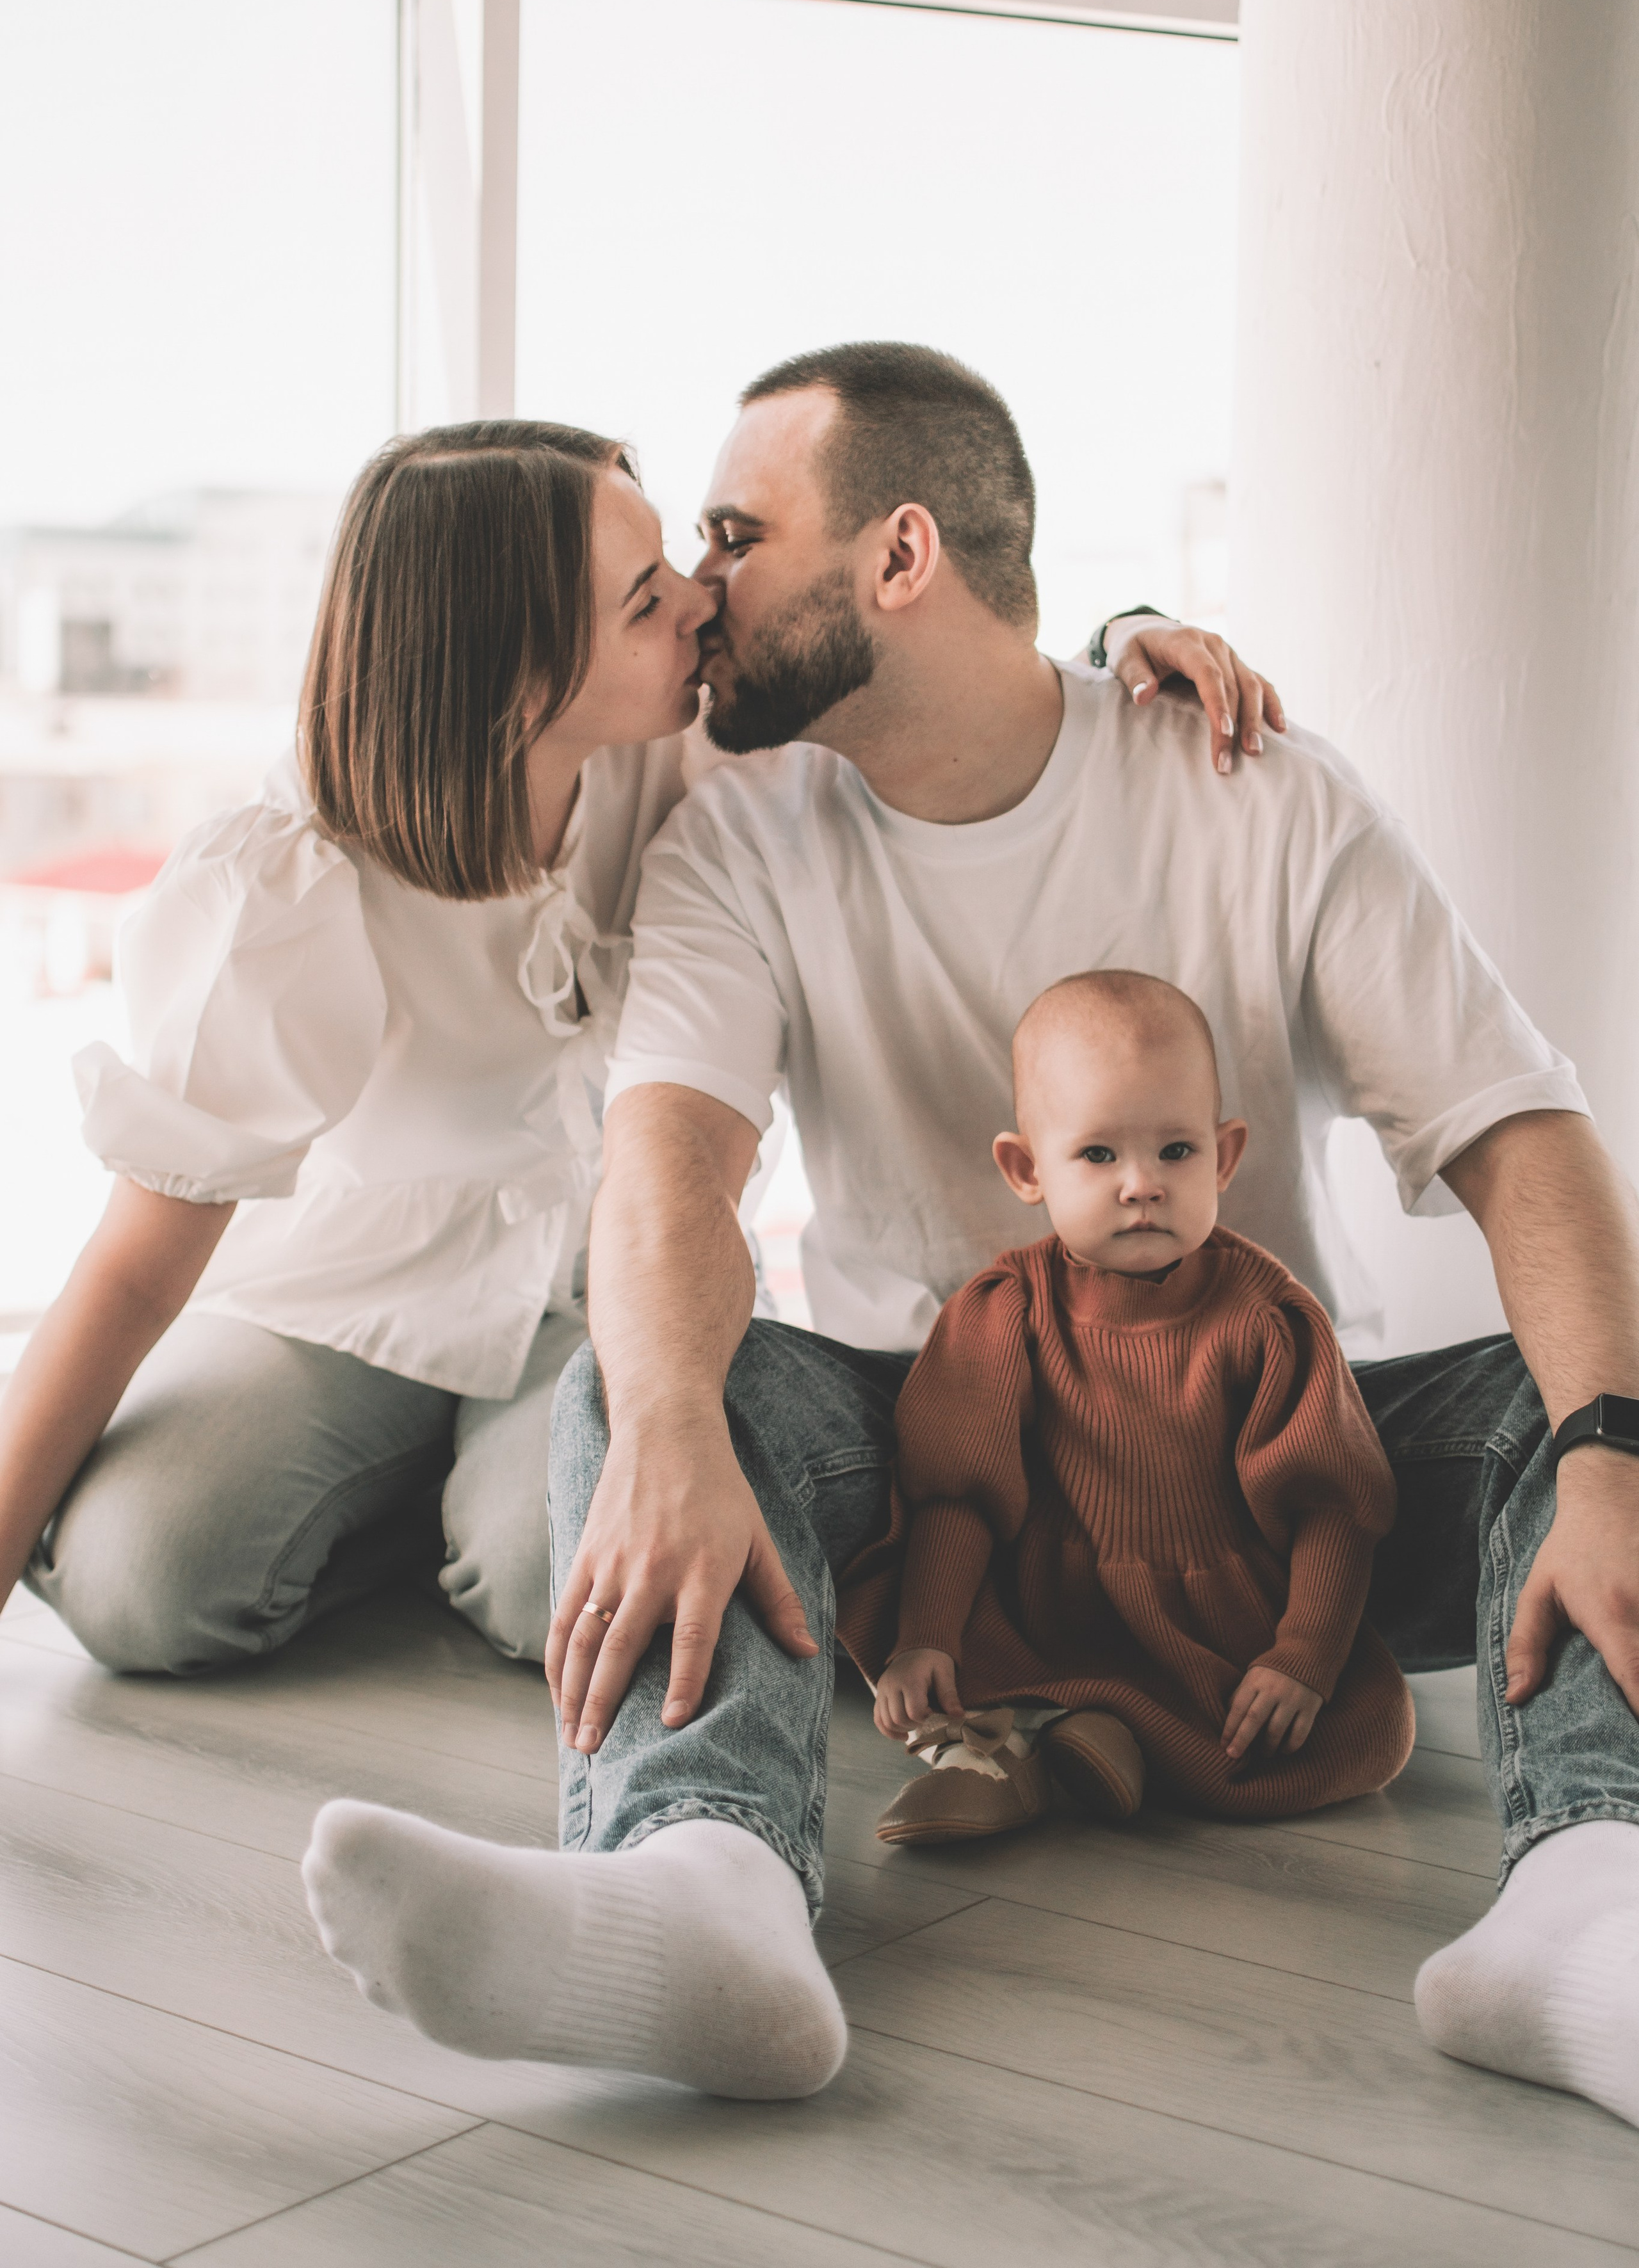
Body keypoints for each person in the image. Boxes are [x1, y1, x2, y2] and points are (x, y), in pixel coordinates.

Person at [304, 338, 1639, 2135]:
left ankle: (1593, 1910)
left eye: (734, 533)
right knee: (650, 1390)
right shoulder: (738, 828)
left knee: (1590, 1409)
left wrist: (1606, 1453)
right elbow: (670, 1169)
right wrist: (680, 1431)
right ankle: (707, 1893)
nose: (701, 590)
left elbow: (1518, 1134)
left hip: (1248, 1490)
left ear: (901, 559)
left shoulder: (1252, 786)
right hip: (930, 1490)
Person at [0, 413, 1245, 1674]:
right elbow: (131, 1276)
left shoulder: (692, 747)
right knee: (141, 1580)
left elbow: (930, 681)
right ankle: (408, 1514)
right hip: (344, 1299)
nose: (703, 604)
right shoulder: (282, 883)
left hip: (605, 1297)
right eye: (646, 596)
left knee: (562, 1571)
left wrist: (1114, 643)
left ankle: (465, 1533)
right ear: (517, 671)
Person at [844, 968, 1415, 1849]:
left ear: (1224, 1155)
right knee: (944, 1672)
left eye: (1176, 1152)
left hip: (1211, 1627)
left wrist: (1304, 1653)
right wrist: (927, 1634)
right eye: (1100, 1154)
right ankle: (1023, 1744)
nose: (1141, 1184)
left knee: (1359, 1736)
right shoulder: (1005, 1310)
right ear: (1028, 1169)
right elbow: (960, 1496)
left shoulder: (1267, 1317)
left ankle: (1085, 1743)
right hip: (1047, 1607)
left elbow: (1334, 1507)